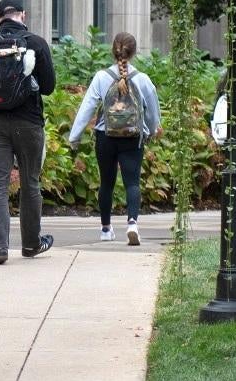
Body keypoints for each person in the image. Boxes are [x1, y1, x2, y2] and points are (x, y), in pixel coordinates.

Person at [0, 0, 56, 265]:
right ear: (23, 14)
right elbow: (49, 86)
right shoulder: (36, 42)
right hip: (29, 122)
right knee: (30, 182)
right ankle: (31, 244)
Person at [66, 32, 163, 246]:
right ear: (134, 52)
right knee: (132, 182)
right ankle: (132, 224)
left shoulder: (101, 77)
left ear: (113, 51)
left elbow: (87, 107)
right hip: (133, 137)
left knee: (106, 183)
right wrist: (152, 129)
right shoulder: (143, 79)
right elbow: (152, 111)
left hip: (105, 136)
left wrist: (74, 136)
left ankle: (106, 228)